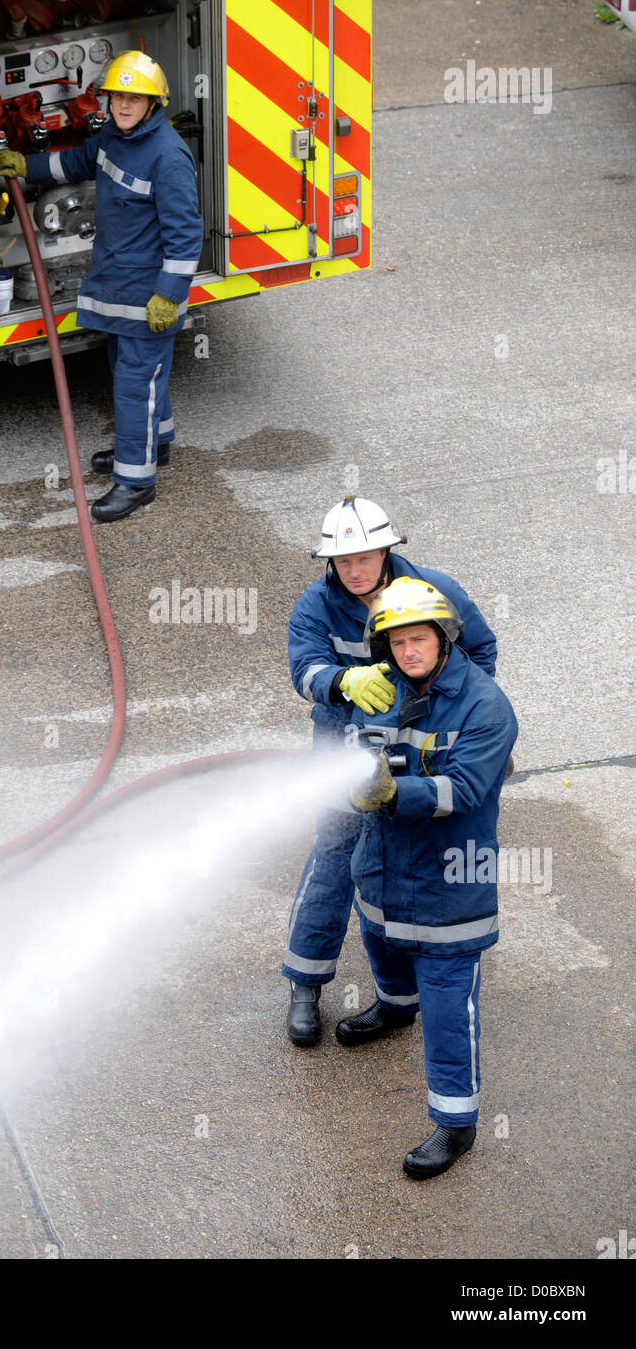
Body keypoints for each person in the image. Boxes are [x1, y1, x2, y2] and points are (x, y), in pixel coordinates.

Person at [284, 496, 498, 1045]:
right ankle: (306, 982)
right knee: (336, 856)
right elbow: (304, 671)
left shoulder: (433, 591)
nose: (354, 570)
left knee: (410, 851)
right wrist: (343, 682)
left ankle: (407, 986)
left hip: (422, 744)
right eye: (343, 561)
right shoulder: (316, 605)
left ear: (386, 551)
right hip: (345, 746)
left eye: (364, 557)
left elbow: (480, 652)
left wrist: (466, 723)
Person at [340, 576, 518, 1178]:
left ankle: (456, 1122)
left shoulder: (486, 706)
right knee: (381, 941)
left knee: (446, 1004)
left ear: (444, 637)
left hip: (450, 880)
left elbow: (464, 790)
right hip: (384, 865)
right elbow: (354, 746)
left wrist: (393, 793)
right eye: (396, 642)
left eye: (418, 639)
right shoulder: (380, 688)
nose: (407, 651)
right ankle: (395, 1008)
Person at [0, 51, 203, 523]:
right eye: (117, 97)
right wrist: (25, 166)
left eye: (135, 98)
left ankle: (136, 481)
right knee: (136, 374)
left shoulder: (168, 157)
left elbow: (186, 233)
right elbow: (74, 162)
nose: (123, 105)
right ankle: (156, 444)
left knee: (134, 384)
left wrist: (169, 295)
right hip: (117, 285)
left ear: (153, 104)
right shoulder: (113, 135)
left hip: (147, 295)